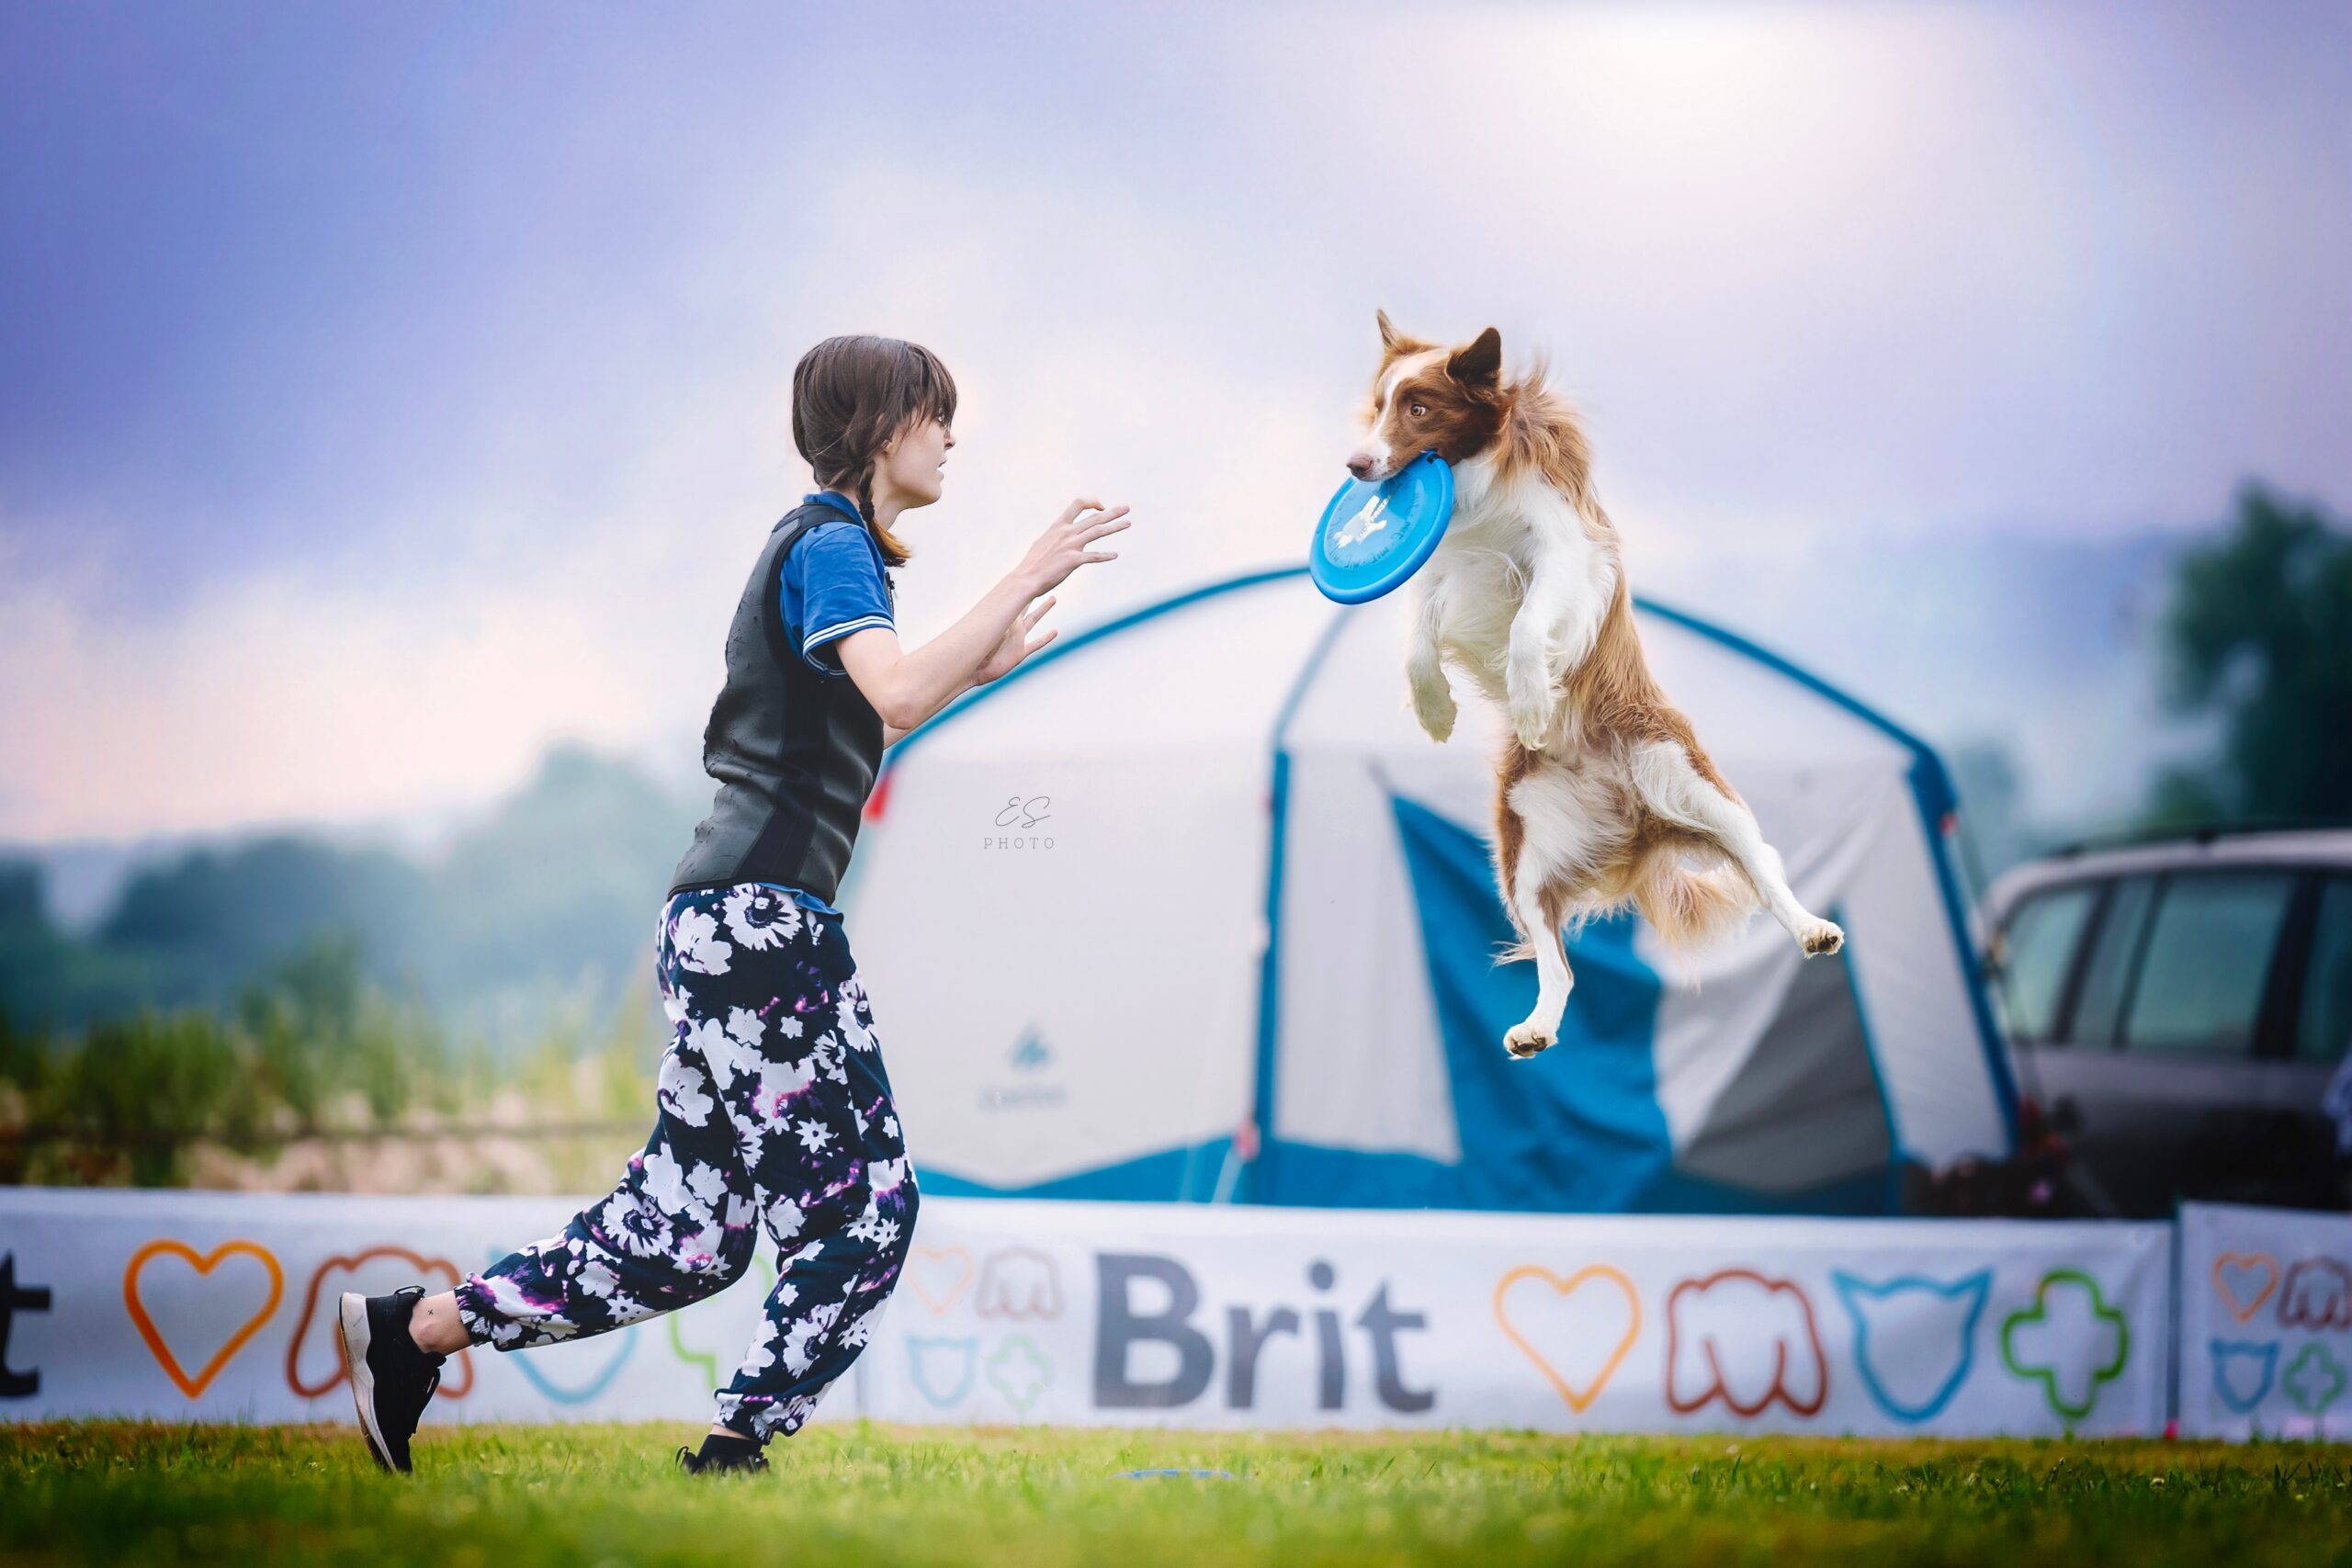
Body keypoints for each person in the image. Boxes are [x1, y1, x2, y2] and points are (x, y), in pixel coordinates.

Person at [334, 334, 1133, 1475]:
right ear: (880, 427)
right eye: (935, 413)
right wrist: (1023, 571)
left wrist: (981, 663)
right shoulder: (833, 543)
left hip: (730, 926)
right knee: (865, 1211)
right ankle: (734, 1447)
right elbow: (899, 686)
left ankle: (415, 1333)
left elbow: (887, 706)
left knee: (691, 1235)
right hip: (758, 925)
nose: (952, 436)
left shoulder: (827, 551)